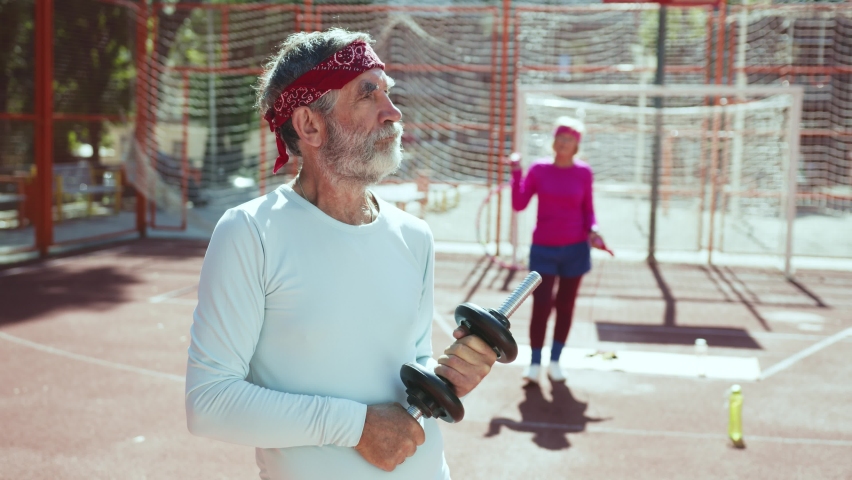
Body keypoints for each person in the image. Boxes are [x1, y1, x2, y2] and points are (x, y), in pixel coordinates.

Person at [184, 29, 497, 480]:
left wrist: (449, 376)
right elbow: (209, 402)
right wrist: (357, 427)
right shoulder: (251, 232)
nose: (393, 112)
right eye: (368, 95)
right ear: (309, 125)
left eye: (387, 93)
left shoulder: (415, 236)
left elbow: (410, 363)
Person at [509, 116, 609, 385]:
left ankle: (555, 361)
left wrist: (594, 231)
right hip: (544, 249)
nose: (564, 143)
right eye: (560, 138)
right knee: (541, 306)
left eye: (570, 140)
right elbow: (519, 203)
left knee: (566, 306)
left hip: (576, 250)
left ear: (577, 145)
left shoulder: (584, 172)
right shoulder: (539, 170)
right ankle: (534, 363)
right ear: (553, 141)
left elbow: (588, 210)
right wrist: (516, 171)